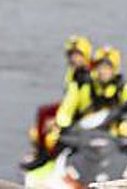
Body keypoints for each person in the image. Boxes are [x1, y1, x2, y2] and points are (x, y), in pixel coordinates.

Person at [20, 35, 93, 171]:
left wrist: (58, 121)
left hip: (82, 113)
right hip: (71, 108)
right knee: (43, 111)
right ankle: (42, 152)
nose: (74, 59)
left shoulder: (88, 76)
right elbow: (70, 99)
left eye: (78, 55)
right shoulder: (74, 72)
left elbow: (84, 102)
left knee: (52, 126)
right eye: (71, 55)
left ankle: (49, 154)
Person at [55, 46, 127, 141]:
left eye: (107, 68)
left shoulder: (123, 86)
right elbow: (67, 108)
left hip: (113, 128)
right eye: (100, 67)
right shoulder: (81, 85)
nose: (102, 72)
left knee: (126, 130)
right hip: (84, 128)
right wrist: (63, 126)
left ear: (114, 69)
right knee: (57, 140)